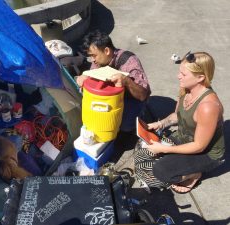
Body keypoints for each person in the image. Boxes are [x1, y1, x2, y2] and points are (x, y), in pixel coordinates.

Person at [146, 51, 225, 193]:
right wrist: (161, 123)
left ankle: (194, 174)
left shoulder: (208, 107)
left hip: (205, 153)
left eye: (183, 74)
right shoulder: (186, 88)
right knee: (144, 148)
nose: (178, 76)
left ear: (200, 77)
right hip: (184, 138)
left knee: (160, 170)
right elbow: (178, 115)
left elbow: (199, 146)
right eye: (179, 72)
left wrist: (165, 149)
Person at [76, 30, 151, 152]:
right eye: (90, 57)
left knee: (125, 129)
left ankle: (131, 127)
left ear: (106, 51)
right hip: (109, 99)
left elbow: (143, 95)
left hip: (131, 100)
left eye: (94, 55)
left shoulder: (129, 61)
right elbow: (91, 84)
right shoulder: (98, 62)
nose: (92, 60)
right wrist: (83, 79)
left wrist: (126, 81)